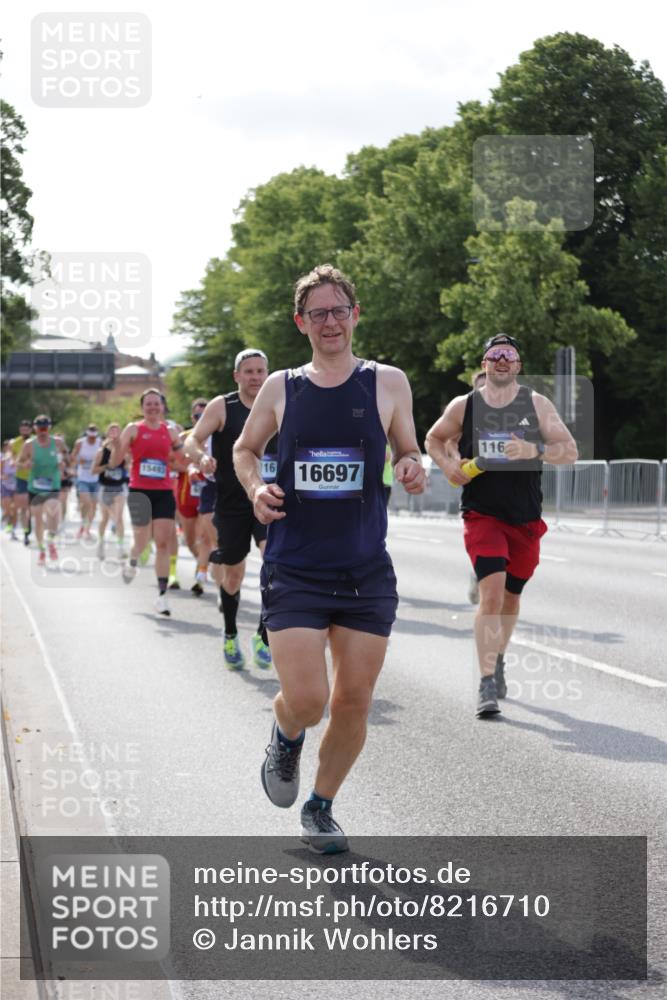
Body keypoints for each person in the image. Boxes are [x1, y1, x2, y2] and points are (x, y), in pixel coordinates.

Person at [233, 263, 425, 853]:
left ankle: (320, 806)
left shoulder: (387, 383)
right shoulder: (281, 387)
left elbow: (408, 448)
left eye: (339, 310)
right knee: (310, 699)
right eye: (318, 313)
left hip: (365, 567)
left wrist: (412, 465)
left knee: (353, 701)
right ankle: (286, 733)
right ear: (301, 323)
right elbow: (246, 449)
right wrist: (255, 488)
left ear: (355, 314)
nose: (330, 322)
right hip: (295, 565)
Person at [425, 333, 578, 719]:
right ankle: (486, 682)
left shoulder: (537, 404)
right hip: (482, 513)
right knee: (491, 595)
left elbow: (570, 451)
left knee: (511, 598)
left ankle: (500, 657)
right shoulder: (465, 406)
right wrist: (449, 467)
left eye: (509, 355)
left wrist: (535, 449)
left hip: (525, 517)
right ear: (484, 364)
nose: (502, 361)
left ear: (519, 366)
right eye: (495, 355)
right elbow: (434, 438)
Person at [184, 350, 275, 670]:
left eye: (260, 370)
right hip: (232, 503)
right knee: (233, 575)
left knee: (275, 565)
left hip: (270, 502)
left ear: (267, 373)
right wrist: (200, 457)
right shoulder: (223, 406)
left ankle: (264, 636)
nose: (255, 377)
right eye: (248, 371)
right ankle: (231, 633)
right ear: (237, 376)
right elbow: (192, 440)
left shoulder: (281, 402)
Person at [110, 389, 184, 616]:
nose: (152, 407)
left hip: (163, 492)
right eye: (148, 404)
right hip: (139, 491)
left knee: (162, 543)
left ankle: (162, 596)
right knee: (141, 542)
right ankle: (132, 561)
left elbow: (180, 460)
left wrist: (195, 460)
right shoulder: (133, 429)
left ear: (162, 407)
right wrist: (116, 445)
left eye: (156, 404)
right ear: (143, 407)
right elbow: (115, 462)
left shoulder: (170, 432)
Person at [17, 415, 66, 565]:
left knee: (52, 512)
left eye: (45, 428)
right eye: (40, 429)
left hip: (52, 484)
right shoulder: (29, 445)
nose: (42, 432)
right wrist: (25, 465)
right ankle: (42, 550)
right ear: (35, 429)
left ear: (49, 428)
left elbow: (67, 457)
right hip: (35, 487)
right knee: (38, 520)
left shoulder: (57, 443)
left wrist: (63, 465)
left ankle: (50, 541)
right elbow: (19, 462)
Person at [91, 422, 128, 560]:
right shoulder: (102, 451)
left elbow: (129, 465)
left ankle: (120, 548)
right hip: (105, 488)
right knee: (105, 519)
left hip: (119, 488)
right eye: (111, 431)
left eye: (117, 431)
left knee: (119, 518)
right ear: (107, 434)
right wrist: (107, 467)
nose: (114, 434)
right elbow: (93, 470)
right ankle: (100, 543)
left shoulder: (124, 450)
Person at [466, 370, 487, 606]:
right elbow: (444, 441)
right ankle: (479, 574)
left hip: (513, 498)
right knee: (490, 557)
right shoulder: (463, 414)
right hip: (477, 497)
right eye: (479, 389)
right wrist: (453, 463)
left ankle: (479, 574)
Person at [71, 424, 102, 538]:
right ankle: (82, 525)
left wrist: (98, 462)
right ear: (87, 434)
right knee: (86, 503)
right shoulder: (80, 443)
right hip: (82, 478)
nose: (92, 439)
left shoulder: (100, 443)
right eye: (90, 437)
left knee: (93, 506)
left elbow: (105, 456)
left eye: (94, 437)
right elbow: (73, 456)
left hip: (95, 479)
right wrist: (79, 460)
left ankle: (87, 529)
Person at [10, 420, 34, 544]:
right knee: (24, 507)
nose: (24, 432)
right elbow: (13, 461)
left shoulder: (36, 441)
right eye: (22, 430)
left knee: (32, 508)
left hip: (36, 478)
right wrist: (23, 464)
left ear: (31, 430)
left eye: (27, 430)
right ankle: (26, 533)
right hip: (21, 478)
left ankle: (28, 526)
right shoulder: (15, 443)